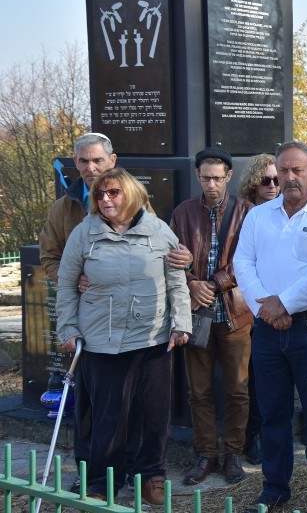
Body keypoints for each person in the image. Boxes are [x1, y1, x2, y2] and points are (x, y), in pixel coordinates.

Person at [38, 133, 191, 492]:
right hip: (97, 330)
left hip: (144, 331)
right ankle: (95, 479)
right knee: (95, 414)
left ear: (112, 161)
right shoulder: (67, 211)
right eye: (83, 162)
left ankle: (143, 476)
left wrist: (184, 264)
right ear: (75, 164)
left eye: (97, 161)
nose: (91, 169)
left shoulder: (149, 218)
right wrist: (71, 283)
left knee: (144, 412)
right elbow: (53, 261)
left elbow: (168, 269)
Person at [234, 141, 307, 513]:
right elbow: (243, 263)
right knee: (273, 414)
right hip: (266, 330)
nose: (290, 178)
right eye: (283, 171)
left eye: (298, 170)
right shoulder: (258, 216)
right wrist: (265, 308)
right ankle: (275, 489)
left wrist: (284, 303)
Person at [170, 148, 255, 486]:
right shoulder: (183, 213)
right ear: (197, 176)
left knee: (237, 389)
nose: (212, 184)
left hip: (235, 312)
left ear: (229, 177)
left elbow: (250, 259)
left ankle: (233, 453)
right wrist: (191, 284)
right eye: (206, 177)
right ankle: (205, 454)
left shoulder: (247, 212)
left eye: (218, 178)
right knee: (199, 391)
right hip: (197, 312)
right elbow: (171, 257)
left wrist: (214, 282)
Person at [238, 152, 280, 464]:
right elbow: (237, 261)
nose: (273, 185)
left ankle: (271, 436)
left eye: (277, 180)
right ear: (254, 181)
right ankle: (251, 437)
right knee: (249, 380)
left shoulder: (287, 213)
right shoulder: (243, 214)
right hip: (244, 307)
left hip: (280, 308)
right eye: (266, 180)